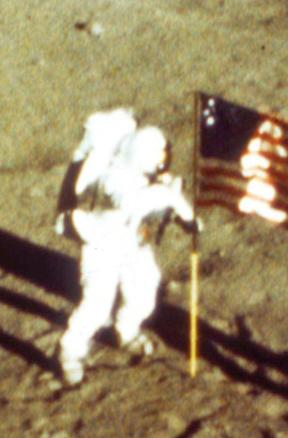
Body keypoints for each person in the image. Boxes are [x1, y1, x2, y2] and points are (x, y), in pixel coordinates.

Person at [55, 110, 199, 385]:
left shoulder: (146, 178)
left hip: (132, 243)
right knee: (97, 304)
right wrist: (175, 201)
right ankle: (70, 353)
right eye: (158, 156)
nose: (163, 161)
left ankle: (127, 329)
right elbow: (137, 203)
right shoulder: (114, 178)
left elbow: (159, 202)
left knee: (145, 290)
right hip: (102, 246)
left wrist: (185, 216)